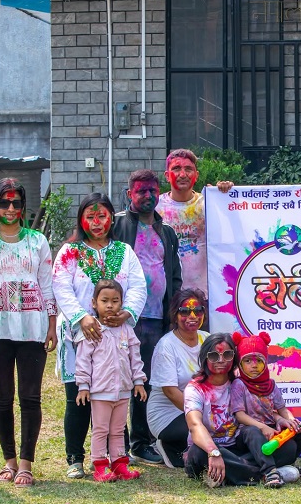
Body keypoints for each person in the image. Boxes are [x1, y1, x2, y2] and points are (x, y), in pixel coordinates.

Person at [0, 178, 58, 488]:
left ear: (23, 206)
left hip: (32, 330)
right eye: (4, 203)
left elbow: (47, 286)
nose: (10, 209)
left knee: (30, 398)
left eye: (16, 203)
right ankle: (9, 461)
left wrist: (51, 326)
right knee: (2, 398)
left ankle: (26, 464)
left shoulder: (37, 240)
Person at [52, 193, 147, 479]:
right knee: (78, 397)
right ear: (81, 219)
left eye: (102, 216)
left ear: (111, 218)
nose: (96, 222)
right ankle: (75, 458)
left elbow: (138, 286)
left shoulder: (124, 251)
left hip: (116, 336)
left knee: (115, 395)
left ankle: (117, 458)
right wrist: (82, 317)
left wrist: (126, 313)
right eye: (90, 217)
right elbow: (61, 287)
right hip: (78, 335)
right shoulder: (69, 251)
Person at [113, 168, 183, 464]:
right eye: (141, 190)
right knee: (118, 379)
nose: (148, 196)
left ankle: (141, 442)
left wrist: (173, 313)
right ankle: (115, 444)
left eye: (153, 190)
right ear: (130, 193)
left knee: (147, 380)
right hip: (123, 318)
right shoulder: (117, 225)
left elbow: (175, 276)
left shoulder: (166, 232)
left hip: (156, 318)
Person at [183, 333, 284, 488]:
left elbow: (262, 409)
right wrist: (213, 452)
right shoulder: (195, 389)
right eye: (214, 356)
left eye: (227, 355)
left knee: (282, 445)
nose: (221, 360)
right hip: (208, 449)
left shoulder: (241, 382)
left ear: (234, 358)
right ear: (204, 358)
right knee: (197, 452)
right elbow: (195, 425)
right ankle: (266, 473)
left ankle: (231, 473)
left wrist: (279, 419)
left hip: (238, 447)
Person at [75, 280, 147, 482]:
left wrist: (138, 381)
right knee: (100, 430)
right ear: (94, 303)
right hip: (100, 392)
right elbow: (83, 360)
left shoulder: (127, 330)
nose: (109, 305)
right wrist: (83, 386)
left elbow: (135, 357)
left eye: (115, 301)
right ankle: (99, 466)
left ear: (121, 303)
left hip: (123, 391)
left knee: (118, 430)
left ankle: (119, 463)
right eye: (104, 300)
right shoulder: (92, 330)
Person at [231, 331, 301, 481]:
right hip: (248, 433)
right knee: (252, 431)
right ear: (240, 364)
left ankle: (287, 465)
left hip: (272, 429)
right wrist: (262, 427)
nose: (254, 365)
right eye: (247, 361)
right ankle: (269, 471)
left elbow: (282, 409)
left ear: (266, 361)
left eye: (259, 360)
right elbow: (239, 415)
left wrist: (292, 421)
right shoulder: (239, 384)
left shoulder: (271, 384)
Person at [155, 148, 234, 294]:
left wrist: (225, 195)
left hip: (203, 293)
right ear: (167, 176)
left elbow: (232, 227)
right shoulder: (155, 207)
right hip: (167, 294)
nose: (182, 174)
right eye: (176, 169)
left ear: (196, 175)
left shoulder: (209, 204)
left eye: (188, 169)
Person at [147, 289, 210, 468]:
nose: (192, 316)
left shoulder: (207, 339)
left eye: (198, 310)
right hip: (168, 414)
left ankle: (184, 448)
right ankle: (169, 445)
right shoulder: (166, 346)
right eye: (185, 311)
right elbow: (170, 391)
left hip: (201, 409)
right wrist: (201, 416)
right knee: (208, 431)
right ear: (175, 315)